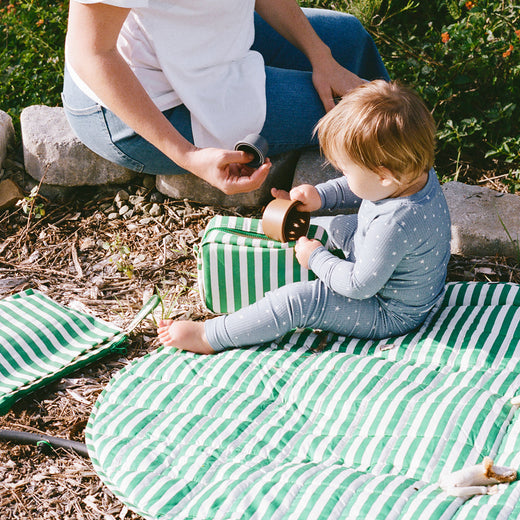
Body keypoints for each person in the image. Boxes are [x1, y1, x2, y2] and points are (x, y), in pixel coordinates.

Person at [157, 80, 452, 354]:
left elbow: (358, 286)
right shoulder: (412, 173)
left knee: (299, 301)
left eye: (347, 172)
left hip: (388, 311)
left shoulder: (396, 224)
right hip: (388, 268)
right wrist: (320, 197)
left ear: (384, 176)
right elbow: (364, 191)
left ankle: (212, 335)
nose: (344, 178)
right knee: (328, 225)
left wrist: (315, 257)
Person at [62, 0, 389, 195]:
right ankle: (398, 195)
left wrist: (322, 57)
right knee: (356, 112)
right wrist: (188, 155)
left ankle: (399, 166)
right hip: (144, 104)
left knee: (350, 39)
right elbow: (91, 53)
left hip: (212, 41)